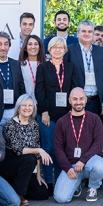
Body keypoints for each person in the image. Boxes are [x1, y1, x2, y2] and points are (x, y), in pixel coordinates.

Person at [35, 37, 80, 185]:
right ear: (50, 49)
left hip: (66, 114)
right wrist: (44, 111)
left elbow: (74, 89)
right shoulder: (42, 67)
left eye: (60, 47)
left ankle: (61, 180)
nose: (57, 50)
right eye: (54, 47)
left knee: (62, 148)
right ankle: (48, 180)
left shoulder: (71, 67)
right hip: (48, 114)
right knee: (48, 147)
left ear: (65, 50)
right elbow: (39, 91)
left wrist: (71, 111)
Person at [53, 88, 103, 203]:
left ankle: (93, 187)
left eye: (81, 99)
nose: (78, 102)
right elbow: (58, 149)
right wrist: (68, 168)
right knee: (60, 198)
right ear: (69, 101)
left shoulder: (94, 119)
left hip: (89, 163)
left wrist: (83, 160)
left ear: (86, 100)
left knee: (100, 166)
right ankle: (76, 184)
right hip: (72, 166)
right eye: (75, 99)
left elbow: (98, 144)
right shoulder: (61, 122)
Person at [0, 94, 52, 204]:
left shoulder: (34, 125)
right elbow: (18, 149)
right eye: (24, 105)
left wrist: (38, 175)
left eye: (30, 105)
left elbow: (36, 149)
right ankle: (19, 194)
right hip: (10, 164)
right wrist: (39, 150)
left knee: (43, 193)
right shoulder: (10, 125)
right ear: (18, 107)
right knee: (30, 158)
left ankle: (13, 188)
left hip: (26, 166)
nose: (27, 108)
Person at [67, 20, 103, 118]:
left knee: (96, 132)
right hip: (77, 102)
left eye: (90, 31)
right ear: (77, 33)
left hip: (97, 102)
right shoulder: (69, 50)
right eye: (83, 31)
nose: (87, 34)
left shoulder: (102, 52)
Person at [19, 34, 45, 102]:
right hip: (26, 103)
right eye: (30, 44)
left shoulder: (45, 65)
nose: (33, 47)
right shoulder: (20, 65)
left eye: (36, 44)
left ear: (40, 47)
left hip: (42, 104)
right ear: (25, 47)